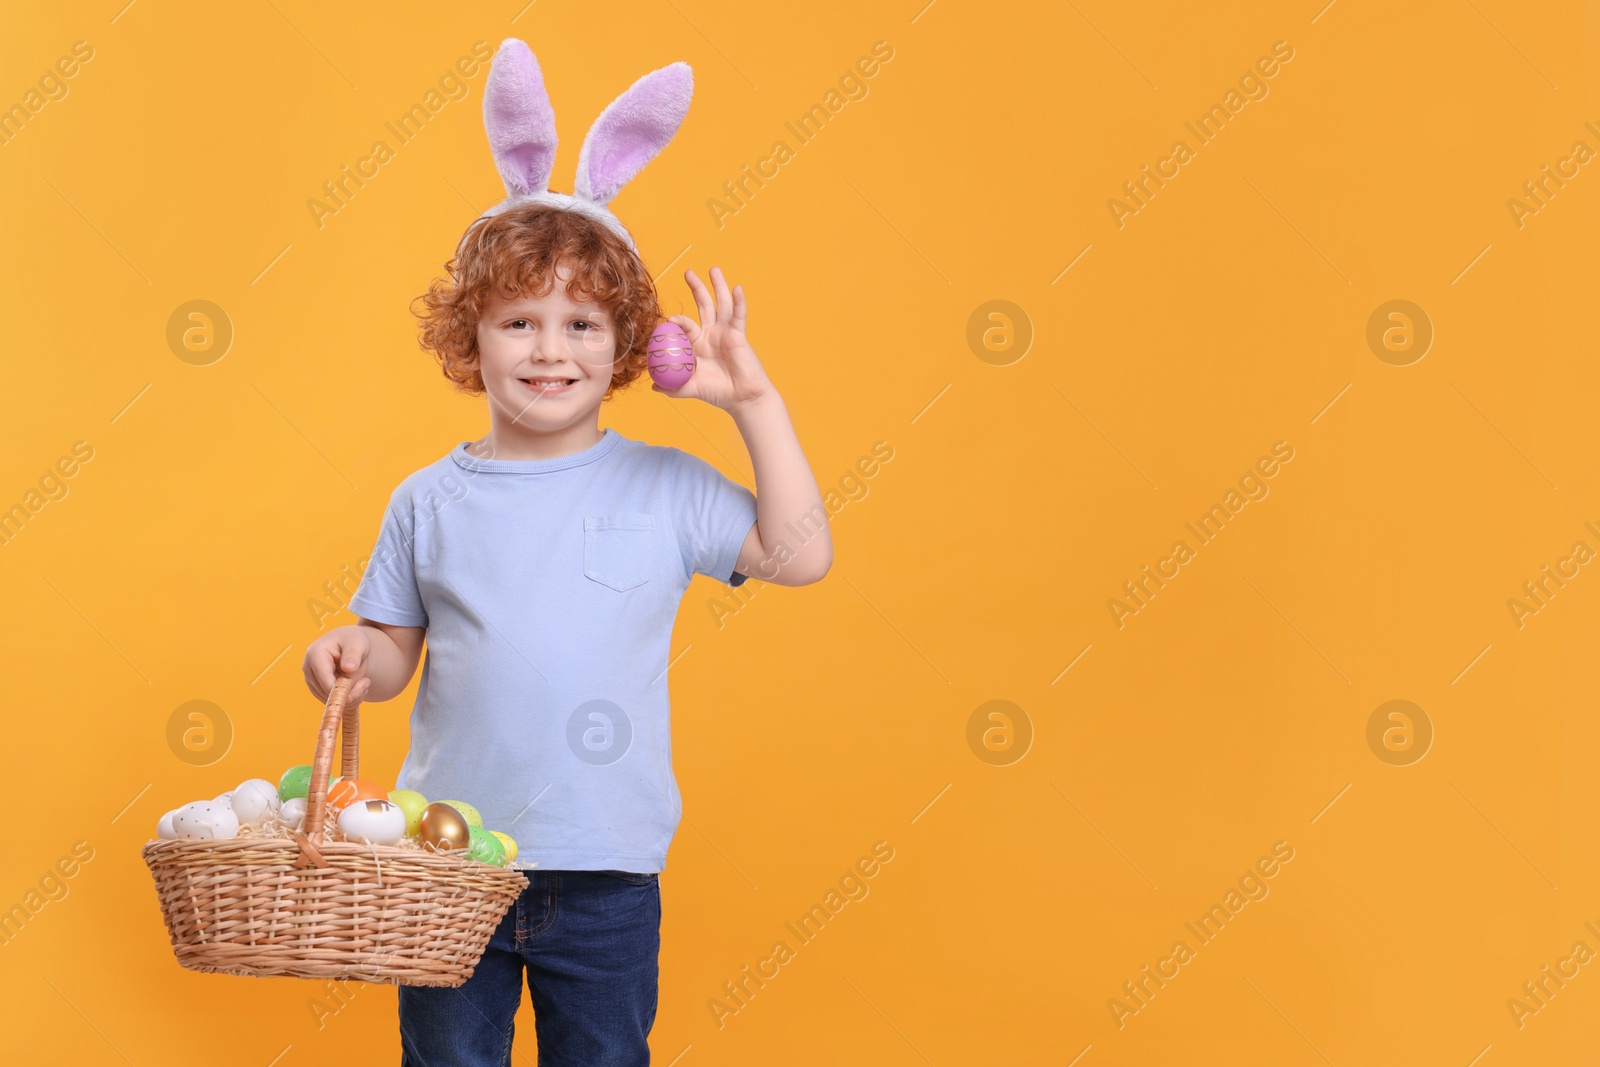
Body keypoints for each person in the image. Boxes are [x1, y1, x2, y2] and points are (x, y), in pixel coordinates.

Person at [300, 39, 831, 1065]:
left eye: (582, 323)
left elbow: (798, 552)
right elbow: (396, 647)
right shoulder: (428, 498)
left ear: (626, 342)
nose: (551, 350)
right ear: (471, 338)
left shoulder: (665, 485)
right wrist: (348, 656)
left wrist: (755, 402)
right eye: (519, 322)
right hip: (447, 861)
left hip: (605, 871)